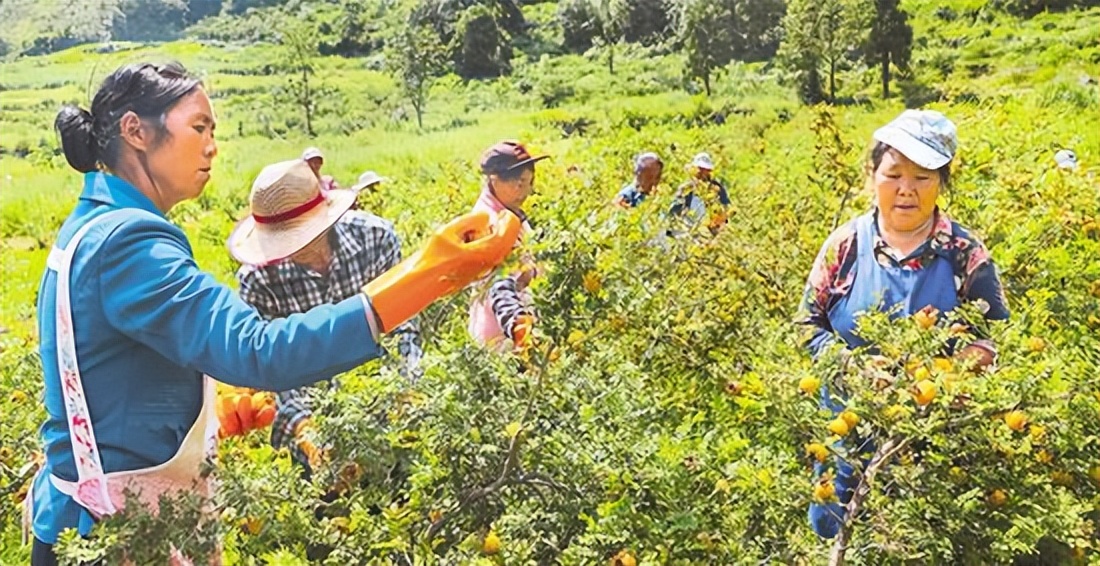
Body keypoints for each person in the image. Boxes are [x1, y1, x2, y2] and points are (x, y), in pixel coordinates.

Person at [27, 61, 520, 565]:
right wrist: (428, 273)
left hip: (83, 522)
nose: (212, 145)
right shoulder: (128, 241)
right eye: (199, 126)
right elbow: (259, 349)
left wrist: (204, 412)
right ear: (135, 131)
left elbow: (115, 375)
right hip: (108, 534)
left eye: (214, 130)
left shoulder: (93, 225)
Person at [799, 109, 1009, 539]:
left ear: (942, 183)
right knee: (839, 531)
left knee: (921, 536)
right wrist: (850, 366)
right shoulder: (845, 245)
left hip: (934, 436)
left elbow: (997, 340)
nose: (906, 191)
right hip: (847, 427)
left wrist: (939, 380)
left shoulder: (965, 253)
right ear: (873, 174)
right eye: (894, 175)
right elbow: (807, 324)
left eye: (923, 177)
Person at [230, 159, 422, 478]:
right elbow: (270, 368)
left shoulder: (375, 239)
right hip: (314, 426)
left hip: (387, 415)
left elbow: (403, 326)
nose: (290, 249)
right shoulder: (260, 280)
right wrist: (309, 434)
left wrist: (404, 393)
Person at [468, 141, 548, 353]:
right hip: (502, 337)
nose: (527, 191)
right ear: (495, 179)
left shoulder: (510, 211)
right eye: (519, 183)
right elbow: (498, 285)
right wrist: (519, 329)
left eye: (529, 183)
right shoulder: (487, 223)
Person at [669, 152, 730, 235]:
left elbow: (725, 210)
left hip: (710, 230)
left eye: (704, 169)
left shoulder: (717, 189)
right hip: (687, 228)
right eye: (699, 168)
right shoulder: (686, 188)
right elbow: (673, 211)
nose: (701, 172)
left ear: (709, 171)